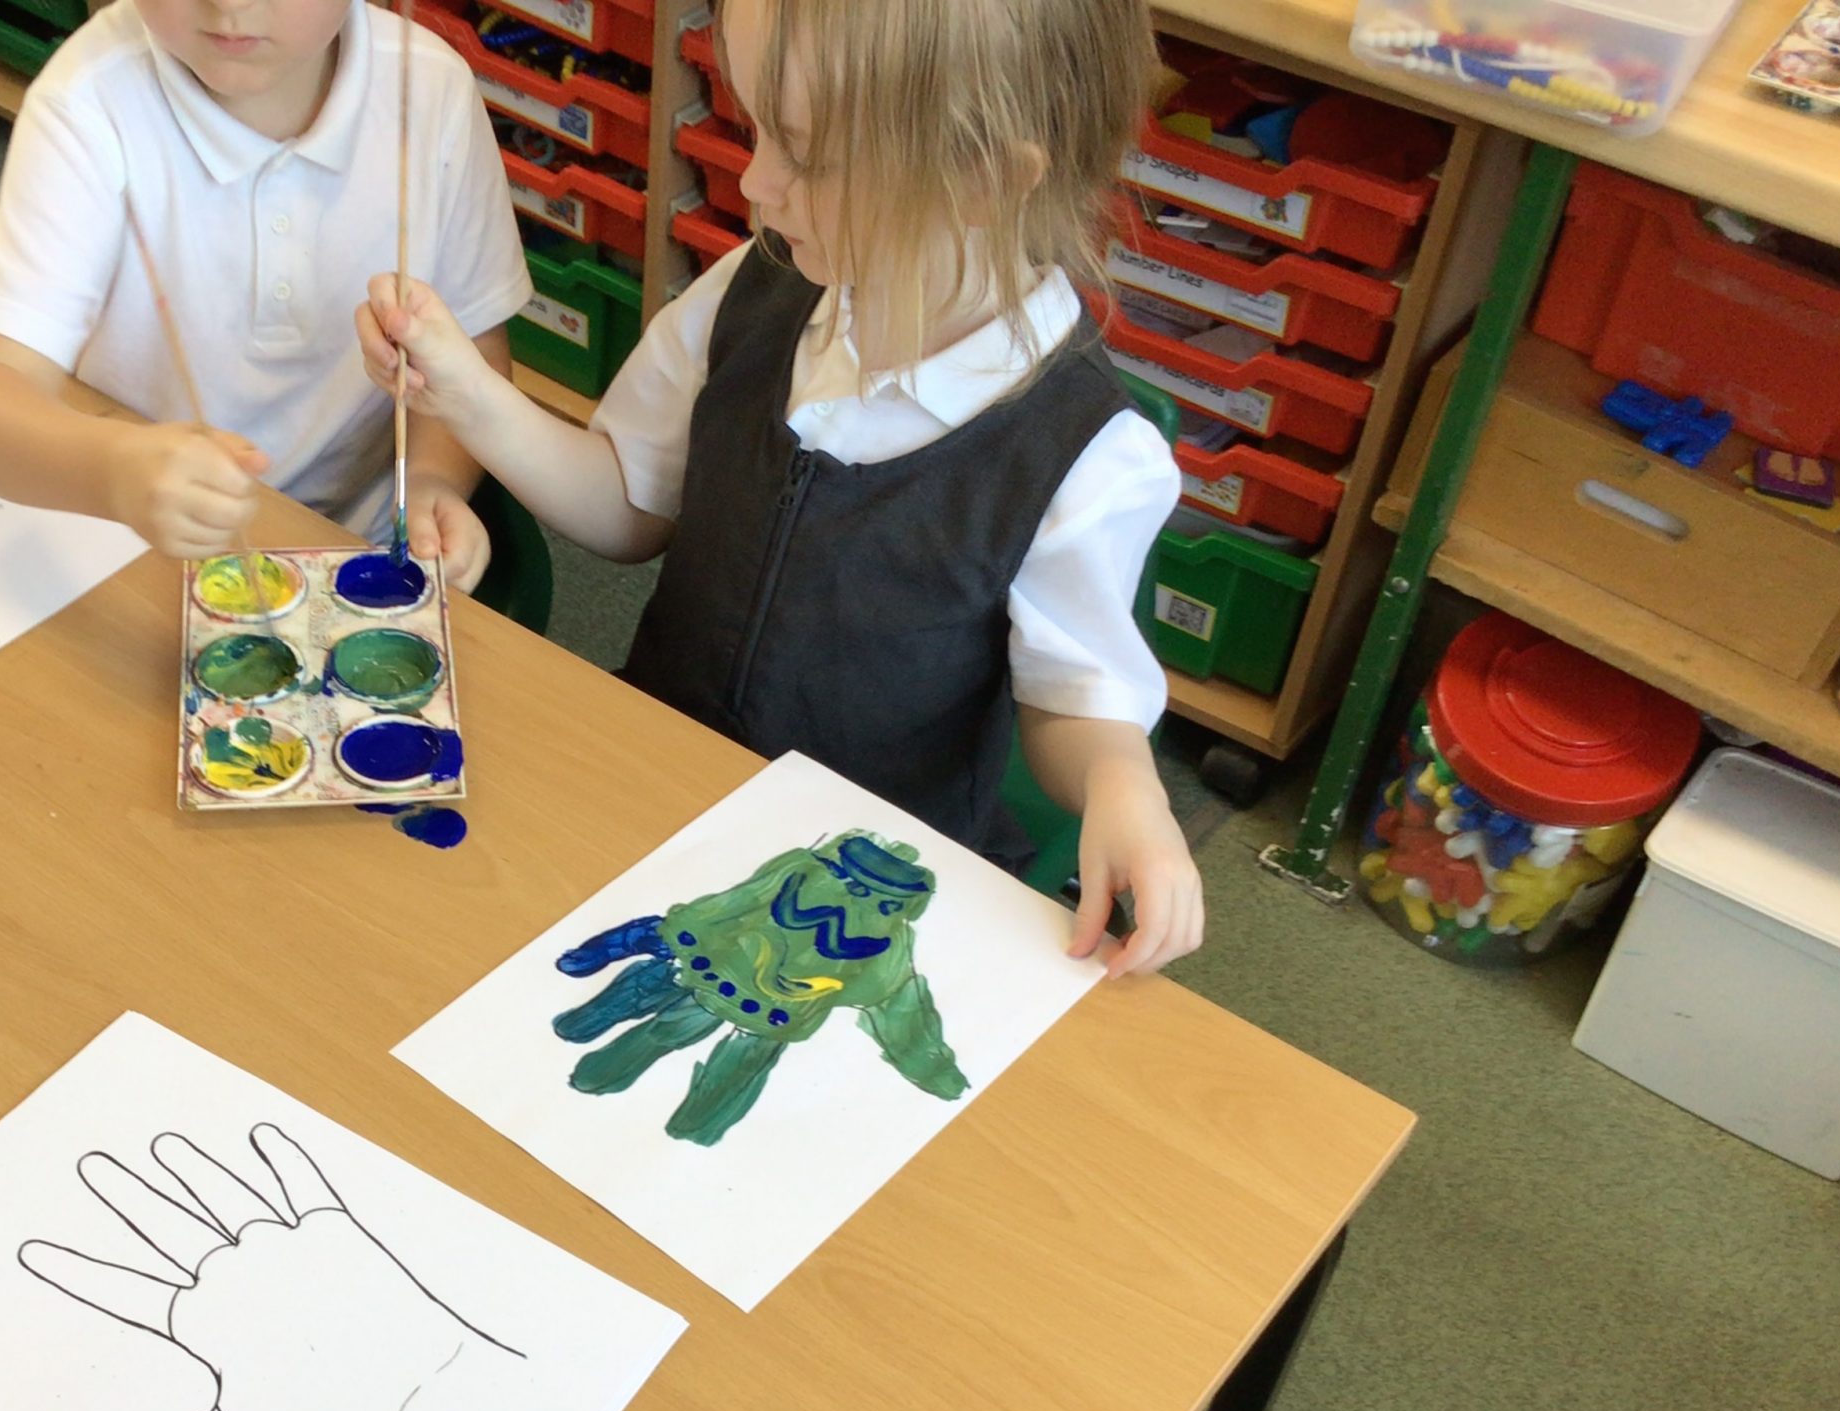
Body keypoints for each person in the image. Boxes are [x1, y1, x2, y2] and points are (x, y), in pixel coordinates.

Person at [359, 0, 1205, 972]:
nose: (755, 180)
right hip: (653, 789)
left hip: (856, 890)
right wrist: (468, 397)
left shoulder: (1084, 453)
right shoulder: (751, 291)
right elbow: (627, 509)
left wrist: (1120, 786)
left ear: (983, 180)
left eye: (805, 154)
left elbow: (1073, 702)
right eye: (758, 128)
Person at [0, 0, 532, 589]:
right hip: (144, 546)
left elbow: (470, 353)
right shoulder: (88, 102)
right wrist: (113, 470)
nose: (229, 4)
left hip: (360, 547)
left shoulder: (430, 90)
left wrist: (430, 480)